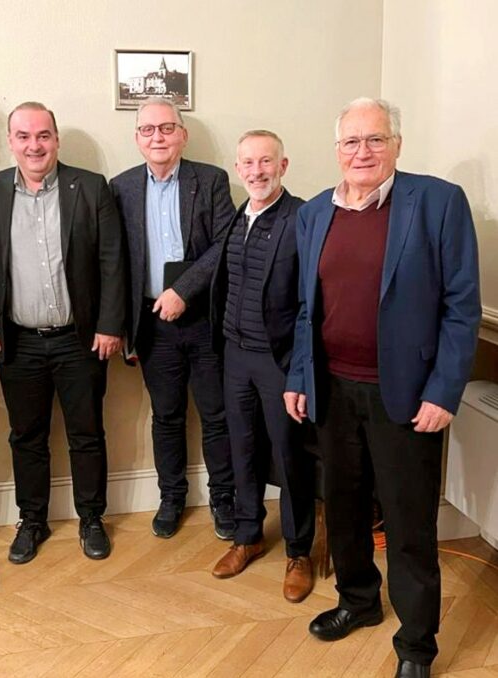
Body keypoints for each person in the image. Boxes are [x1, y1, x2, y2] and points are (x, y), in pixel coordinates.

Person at [283, 98, 481, 678]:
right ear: (337, 149)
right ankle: (358, 601)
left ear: (397, 144)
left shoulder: (438, 202)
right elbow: (306, 308)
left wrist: (444, 391)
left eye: (375, 139)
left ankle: (416, 645)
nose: (362, 151)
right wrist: (298, 376)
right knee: (344, 509)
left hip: (408, 394)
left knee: (408, 522)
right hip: (331, 389)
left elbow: (461, 306)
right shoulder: (314, 213)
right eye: (351, 141)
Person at [0, 102, 124, 564]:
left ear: (56, 140)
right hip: (17, 342)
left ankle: (91, 518)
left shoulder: (90, 187)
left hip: (80, 340)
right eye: (23, 136)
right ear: (10, 141)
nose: (34, 145)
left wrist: (110, 324)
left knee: (87, 433)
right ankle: (32, 520)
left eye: (43, 135)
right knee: (26, 437)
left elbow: (112, 262)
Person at [110, 97, 235, 540]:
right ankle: (171, 497)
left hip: (203, 319)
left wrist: (184, 290)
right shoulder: (120, 187)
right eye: (148, 130)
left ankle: (224, 499)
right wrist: (123, 329)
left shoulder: (211, 180)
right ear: (137, 138)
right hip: (152, 325)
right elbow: (115, 261)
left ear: (183, 134)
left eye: (166, 128)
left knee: (217, 414)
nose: (158, 137)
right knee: (166, 416)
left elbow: (224, 243)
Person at [210, 130, 316, 602]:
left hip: (279, 360)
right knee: (243, 449)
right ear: (238, 169)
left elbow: (311, 302)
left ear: (283, 165)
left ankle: (299, 551)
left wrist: (301, 371)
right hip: (234, 356)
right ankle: (248, 534)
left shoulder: (301, 218)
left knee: (291, 456)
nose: (257, 171)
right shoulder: (239, 217)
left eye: (266, 161)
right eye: (248, 163)